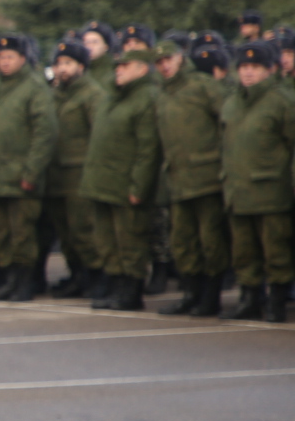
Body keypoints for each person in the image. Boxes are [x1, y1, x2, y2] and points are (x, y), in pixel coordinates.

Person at [0, 33, 57, 303]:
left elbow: (44, 134)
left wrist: (31, 172)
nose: (4, 62)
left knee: (22, 233)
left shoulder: (34, 89)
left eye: (10, 57)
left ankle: (24, 283)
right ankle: (9, 281)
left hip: (21, 178)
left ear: (23, 59)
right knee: (0, 234)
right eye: (0, 57)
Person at [79, 47, 160, 312]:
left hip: (125, 185)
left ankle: (131, 290)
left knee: (130, 241)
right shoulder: (113, 96)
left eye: (126, 66)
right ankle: (115, 285)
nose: (119, 70)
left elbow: (148, 149)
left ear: (142, 69)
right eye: (118, 66)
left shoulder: (146, 97)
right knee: (107, 240)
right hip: (102, 183)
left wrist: (139, 186)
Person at [219, 41, 295, 322]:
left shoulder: (282, 101)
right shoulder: (231, 103)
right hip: (239, 190)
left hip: (272, 191)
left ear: (269, 70)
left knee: (275, 249)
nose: (248, 73)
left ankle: (276, 300)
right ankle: (250, 298)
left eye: (255, 67)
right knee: (244, 250)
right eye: (244, 67)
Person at [154, 40, 229, 318]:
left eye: (168, 59)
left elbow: (227, 120)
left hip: (207, 177)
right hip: (178, 180)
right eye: (159, 62)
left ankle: (211, 297)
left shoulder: (202, 85)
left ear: (180, 58)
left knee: (211, 240)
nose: (164, 65)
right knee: (183, 242)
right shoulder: (162, 94)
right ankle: (191, 294)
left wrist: (222, 163)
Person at [46, 40, 105, 298]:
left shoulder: (92, 94)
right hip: (57, 174)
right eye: (59, 64)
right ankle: (78, 274)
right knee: (66, 232)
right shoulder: (55, 95)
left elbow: (100, 135)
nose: (62, 69)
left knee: (84, 229)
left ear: (81, 66)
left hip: (80, 173)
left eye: (68, 63)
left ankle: (98, 276)